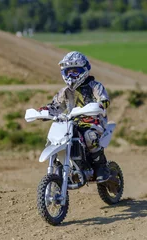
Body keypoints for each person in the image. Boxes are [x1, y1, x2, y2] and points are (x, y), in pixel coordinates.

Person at [38, 51, 110, 183]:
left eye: (75, 72)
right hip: (71, 122)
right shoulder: (65, 91)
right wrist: (45, 111)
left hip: (93, 121)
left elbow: (103, 100)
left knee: (89, 137)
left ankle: (101, 167)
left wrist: (101, 104)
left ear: (84, 70)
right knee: (55, 138)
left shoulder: (95, 86)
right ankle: (61, 167)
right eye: (68, 72)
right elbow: (56, 106)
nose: (71, 76)